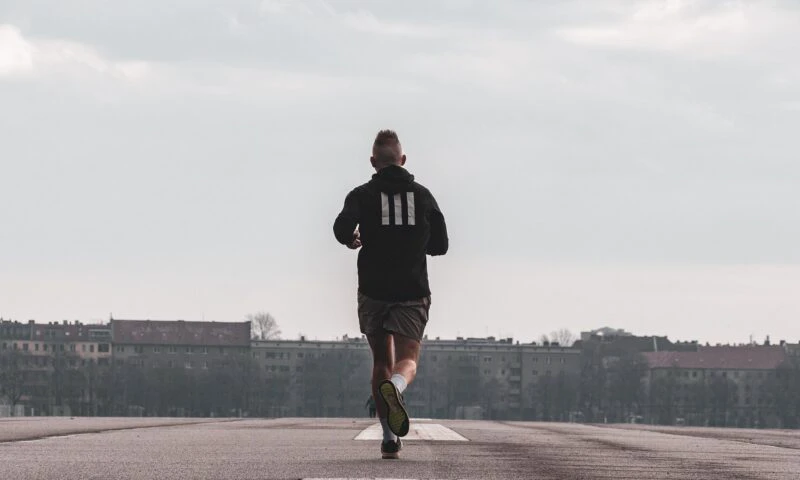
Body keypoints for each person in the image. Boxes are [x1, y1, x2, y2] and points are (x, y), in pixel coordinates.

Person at [333, 129, 449, 460]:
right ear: (403, 160)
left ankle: (388, 439)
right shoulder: (423, 196)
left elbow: (341, 228)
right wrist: (414, 241)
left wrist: (352, 239)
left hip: (373, 289)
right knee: (407, 359)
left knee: (381, 361)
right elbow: (440, 245)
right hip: (411, 289)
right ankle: (397, 388)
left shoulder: (361, 194)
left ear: (373, 162)